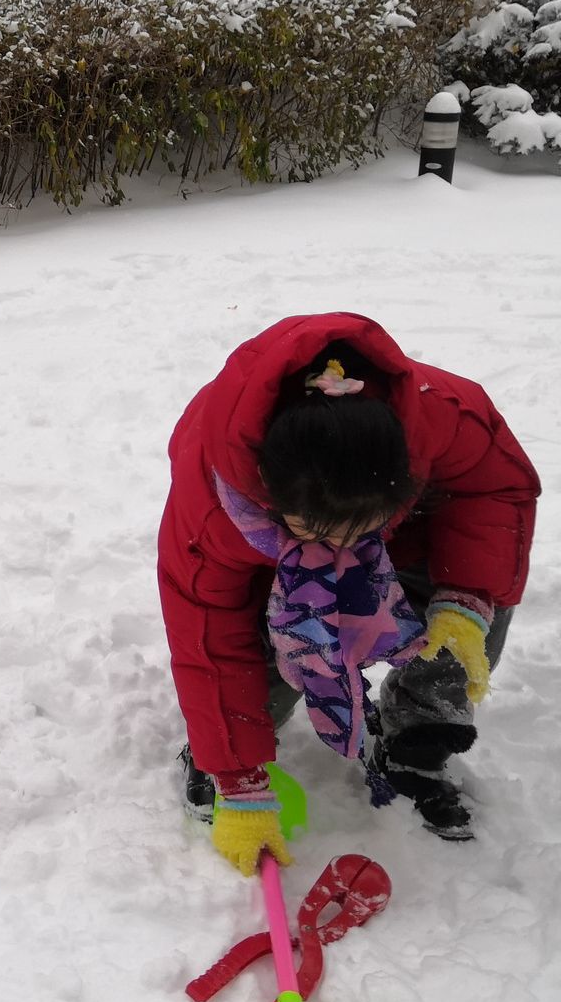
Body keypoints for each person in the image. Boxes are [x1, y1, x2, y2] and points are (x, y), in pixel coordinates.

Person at [160, 313, 539, 872]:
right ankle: (225, 752)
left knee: (478, 588)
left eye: (358, 527)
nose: (338, 545)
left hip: (400, 548)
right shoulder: (214, 512)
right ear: (271, 497)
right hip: (273, 574)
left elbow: (495, 488)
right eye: (317, 531)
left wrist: (464, 600)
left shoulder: (440, 415)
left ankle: (417, 736)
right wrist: (238, 779)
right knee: (260, 647)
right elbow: (208, 638)